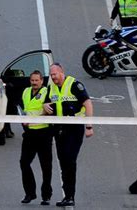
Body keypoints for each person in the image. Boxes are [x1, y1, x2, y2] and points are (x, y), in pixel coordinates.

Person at [43, 63, 93, 207]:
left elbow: (88, 104)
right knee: (63, 161)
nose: (53, 78)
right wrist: (44, 106)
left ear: (62, 72)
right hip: (59, 129)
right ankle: (67, 195)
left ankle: (70, 195)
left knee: (70, 161)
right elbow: (46, 103)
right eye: (51, 75)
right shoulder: (51, 87)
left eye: (55, 75)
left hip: (74, 128)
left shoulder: (74, 85)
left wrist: (89, 126)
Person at [19, 70, 53, 205]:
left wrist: (37, 118)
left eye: (36, 80)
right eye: (32, 80)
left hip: (44, 133)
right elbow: (25, 109)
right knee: (24, 163)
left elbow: (50, 111)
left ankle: (46, 195)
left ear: (41, 81)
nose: (34, 83)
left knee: (46, 166)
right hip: (29, 133)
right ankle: (29, 193)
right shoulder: (26, 91)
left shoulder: (47, 92)